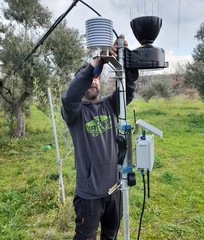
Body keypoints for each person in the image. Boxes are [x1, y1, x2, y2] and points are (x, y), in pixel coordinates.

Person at [61, 35, 138, 240]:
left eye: (96, 78)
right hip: (89, 195)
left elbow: (127, 92)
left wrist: (125, 58)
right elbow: (69, 97)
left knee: (110, 235)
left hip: (115, 189)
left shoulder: (109, 105)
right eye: (90, 77)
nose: (93, 81)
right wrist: (96, 63)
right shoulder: (74, 113)